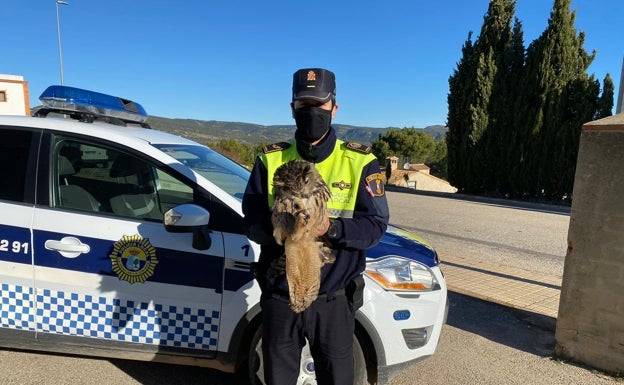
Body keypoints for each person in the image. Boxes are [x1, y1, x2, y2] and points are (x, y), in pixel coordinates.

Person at [242, 68, 389, 385]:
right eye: (303, 104)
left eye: (319, 104)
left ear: (334, 107)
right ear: (293, 108)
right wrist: (280, 228)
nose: (311, 112)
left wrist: (331, 228)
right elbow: (251, 222)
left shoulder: (359, 161)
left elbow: (375, 226)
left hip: (333, 301)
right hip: (280, 296)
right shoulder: (270, 158)